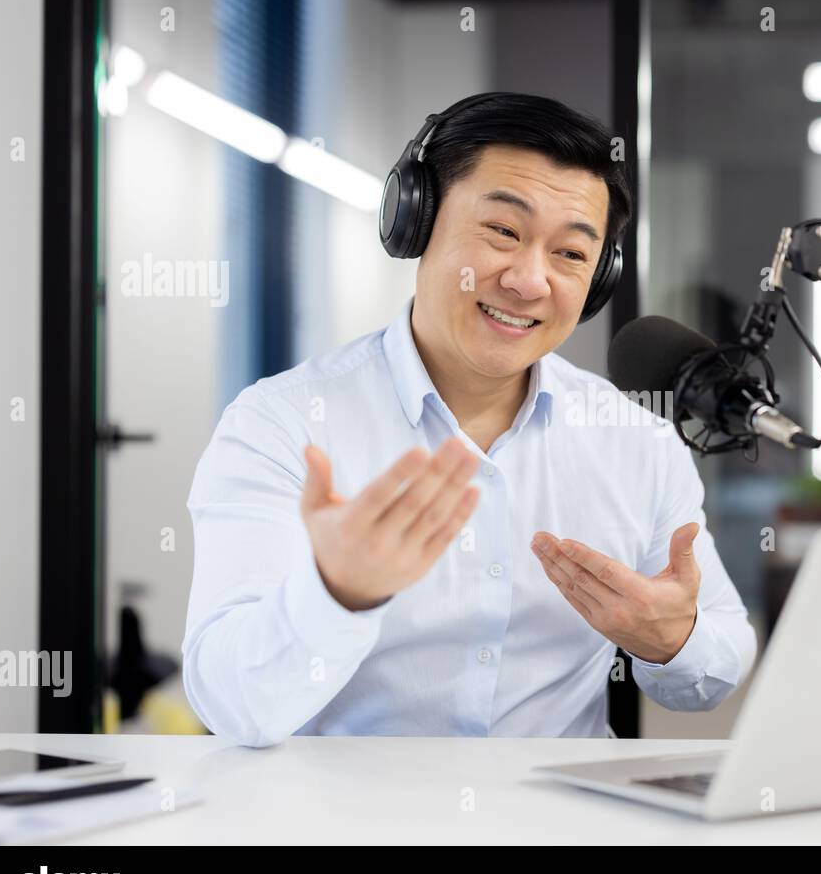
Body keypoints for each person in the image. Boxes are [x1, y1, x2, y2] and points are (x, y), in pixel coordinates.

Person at [182, 92, 756, 747]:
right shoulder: (282, 423)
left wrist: (672, 641)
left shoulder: (639, 443)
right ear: (415, 220)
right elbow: (231, 704)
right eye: (503, 232)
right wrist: (335, 593)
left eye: (570, 254)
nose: (530, 280)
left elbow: (723, 654)